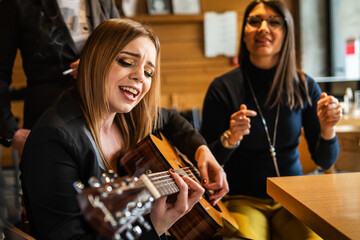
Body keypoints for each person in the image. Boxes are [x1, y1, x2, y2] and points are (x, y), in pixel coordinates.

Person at [20, 18, 228, 240]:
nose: (140, 76)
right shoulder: (54, 140)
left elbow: (170, 119)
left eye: (149, 72)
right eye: (127, 62)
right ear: (94, 60)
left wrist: (201, 150)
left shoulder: (129, 118)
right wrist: (155, 225)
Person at [200, 1, 342, 239]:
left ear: (286, 34)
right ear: (244, 33)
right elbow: (205, 163)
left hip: (294, 199)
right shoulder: (222, 88)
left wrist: (328, 129)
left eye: (274, 22)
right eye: (254, 21)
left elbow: (324, 160)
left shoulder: (305, 86)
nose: (263, 28)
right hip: (244, 199)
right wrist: (231, 138)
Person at [0, 0, 120, 154]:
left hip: (103, 120)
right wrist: (10, 131)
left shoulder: (104, 2)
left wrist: (95, 62)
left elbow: (123, 50)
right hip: (47, 121)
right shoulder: (16, 3)